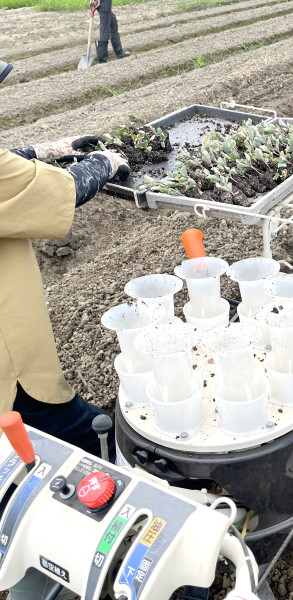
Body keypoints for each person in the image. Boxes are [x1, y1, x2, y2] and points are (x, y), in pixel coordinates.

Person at [0, 59, 130, 599]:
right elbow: (65, 191)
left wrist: (52, 147)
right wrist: (103, 161)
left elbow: (12, 167)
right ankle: (110, 532)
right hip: (9, 368)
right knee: (82, 432)